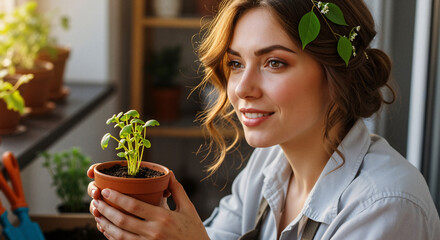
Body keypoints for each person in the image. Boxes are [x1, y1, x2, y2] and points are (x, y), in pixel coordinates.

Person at [87, 0, 440, 239]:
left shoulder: (387, 207)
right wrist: (153, 221)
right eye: (236, 63)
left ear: (338, 75)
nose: (241, 88)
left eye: (274, 63)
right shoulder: (270, 164)